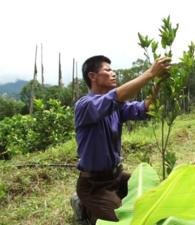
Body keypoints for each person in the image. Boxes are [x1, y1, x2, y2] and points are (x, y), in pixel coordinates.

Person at [71, 55, 171, 225]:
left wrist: (158, 83)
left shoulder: (117, 106)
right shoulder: (85, 105)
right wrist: (150, 73)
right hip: (94, 185)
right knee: (123, 221)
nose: (113, 73)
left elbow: (144, 109)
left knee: (153, 200)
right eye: (108, 70)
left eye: (113, 70)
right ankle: (85, 209)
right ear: (92, 76)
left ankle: (96, 207)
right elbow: (116, 97)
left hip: (116, 176)